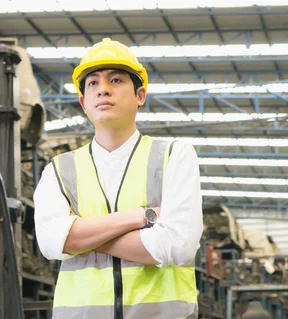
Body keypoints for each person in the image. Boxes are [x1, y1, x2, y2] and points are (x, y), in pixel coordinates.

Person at [34, 38, 203, 319]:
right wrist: (142, 217)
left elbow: (177, 245)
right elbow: (51, 242)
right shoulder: (58, 170)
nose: (103, 90)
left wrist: (79, 237)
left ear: (140, 95)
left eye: (115, 80)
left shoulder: (174, 156)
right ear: (83, 103)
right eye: (93, 83)